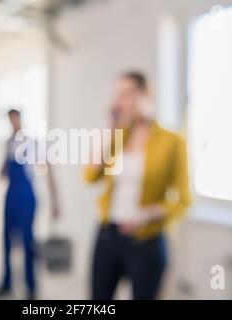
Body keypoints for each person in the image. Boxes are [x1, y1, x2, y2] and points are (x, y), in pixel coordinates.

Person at [84, 71, 191, 300]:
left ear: (146, 94)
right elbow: (91, 176)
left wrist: (147, 215)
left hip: (146, 240)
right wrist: (109, 129)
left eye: (128, 93)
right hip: (108, 235)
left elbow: (183, 200)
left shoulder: (172, 141)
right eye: (118, 96)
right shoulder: (117, 136)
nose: (122, 102)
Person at [0, 109, 59, 300]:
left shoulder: (32, 142)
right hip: (11, 195)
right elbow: (3, 169)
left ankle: (31, 287)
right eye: (10, 120)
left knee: (28, 242)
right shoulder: (7, 142)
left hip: (26, 197)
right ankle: (6, 283)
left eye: (15, 119)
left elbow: (48, 169)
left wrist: (55, 201)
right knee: (6, 241)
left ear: (20, 119)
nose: (13, 123)